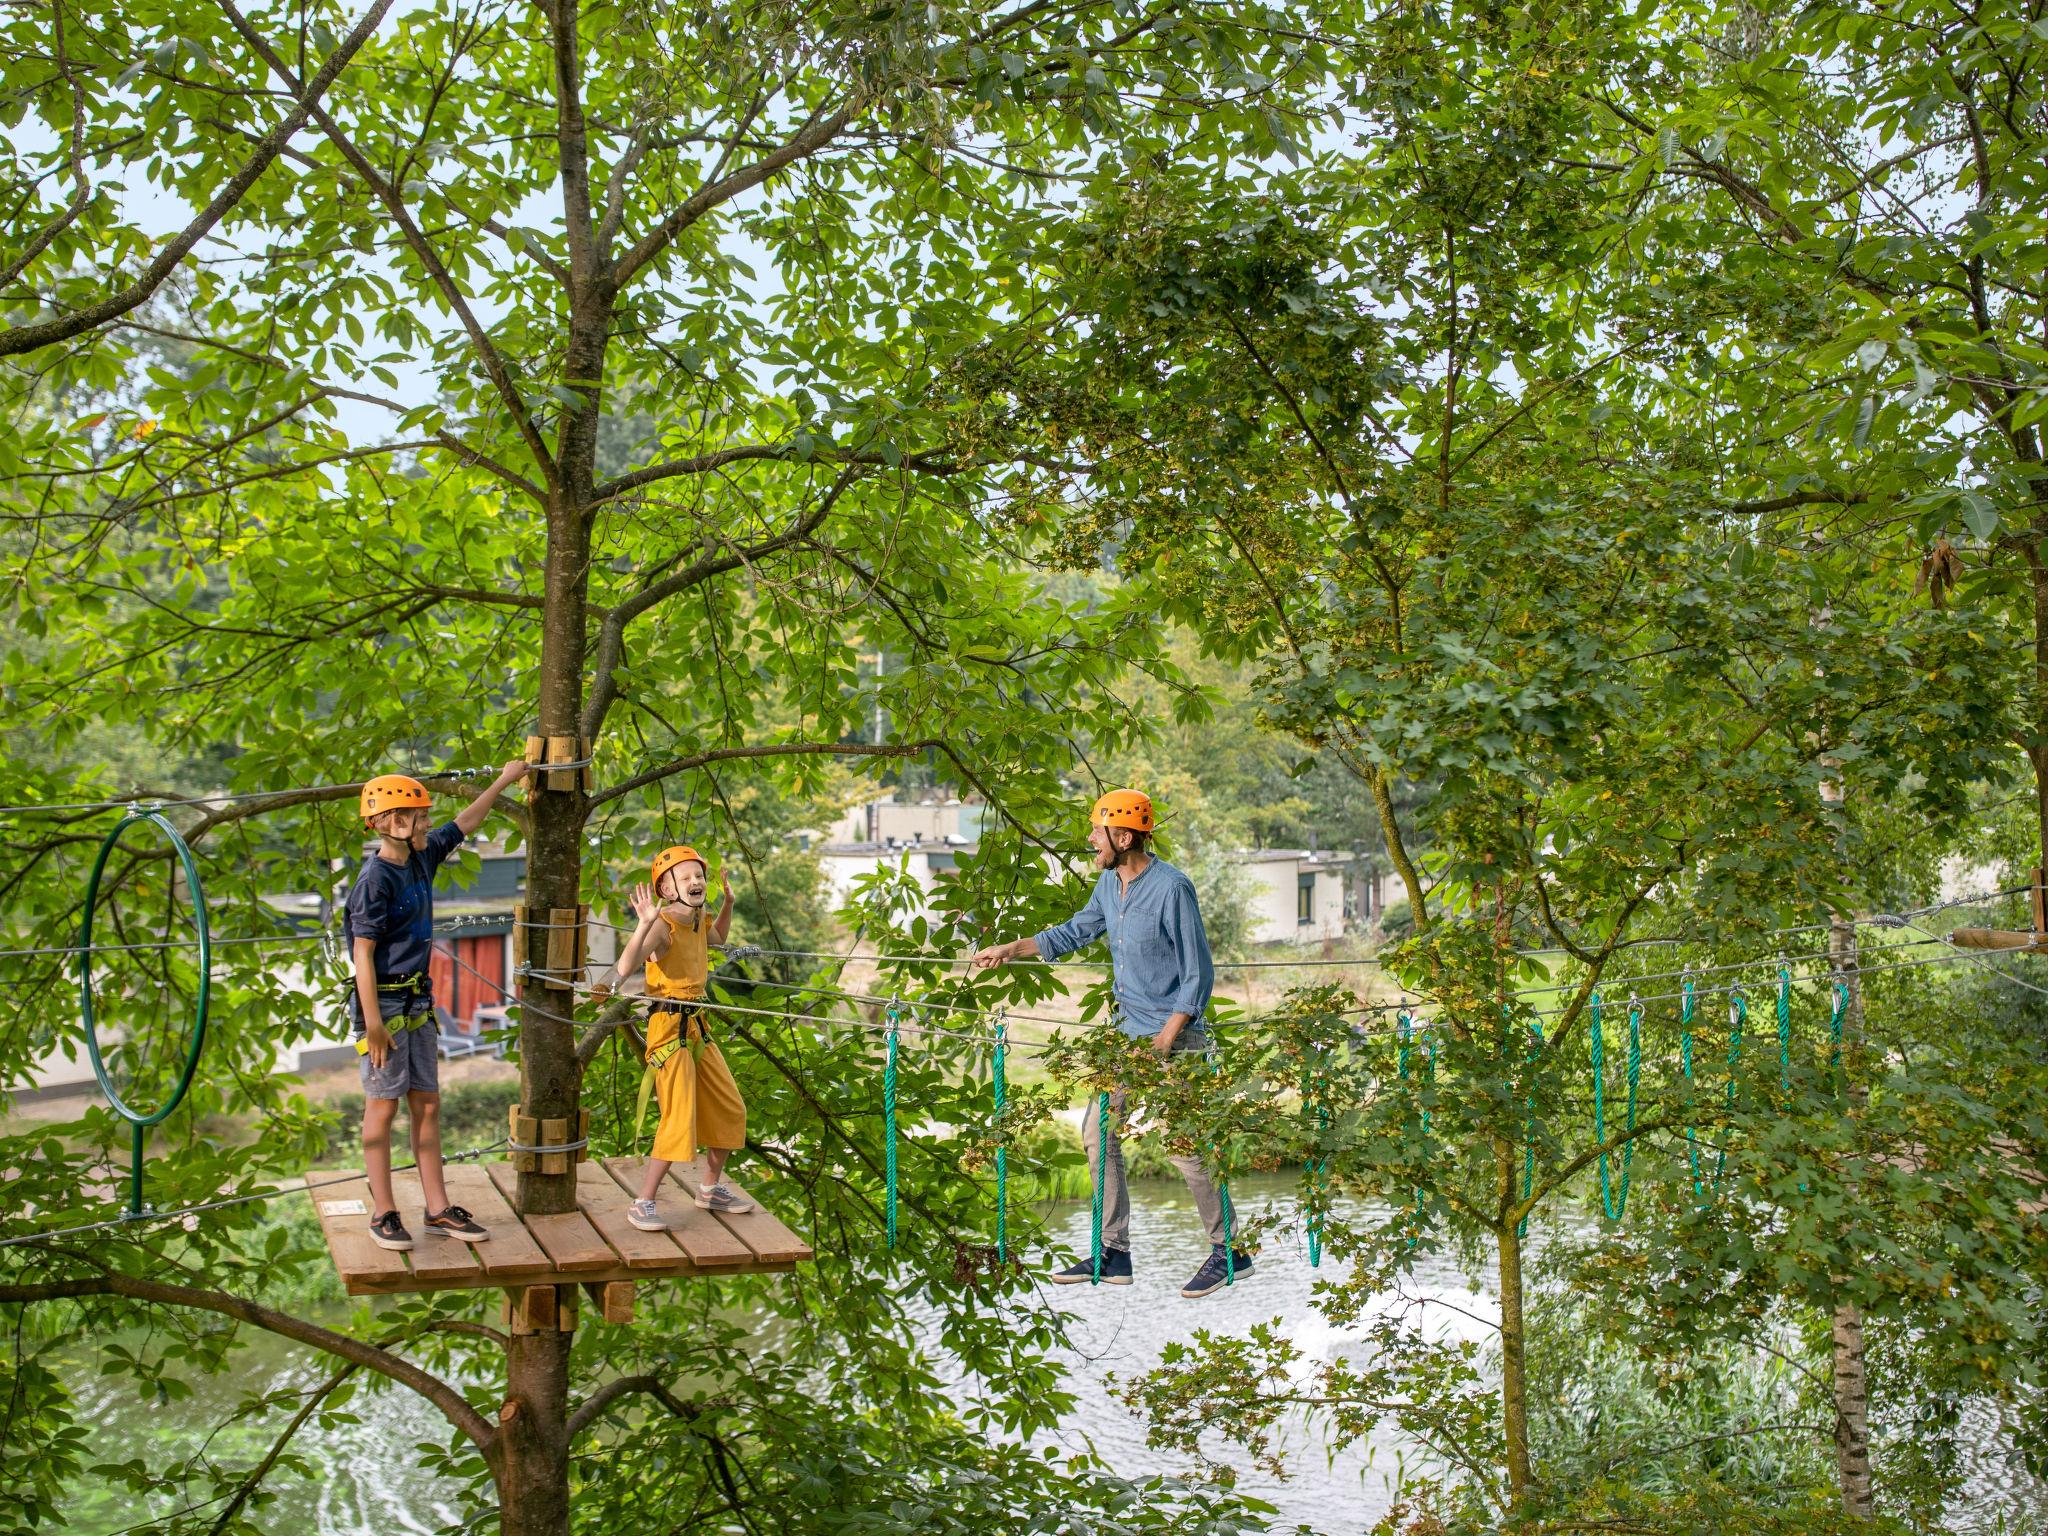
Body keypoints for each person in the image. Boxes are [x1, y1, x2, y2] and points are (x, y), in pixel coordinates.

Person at [972, 789, 1251, 1298]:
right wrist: (1011, 948)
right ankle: (1114, 1251)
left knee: (1185, 1147)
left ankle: (1230, 1250)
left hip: (1176, 1040)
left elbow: (1199, 972)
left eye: (1096, 832)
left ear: (1123, 837)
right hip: (1126, 1038)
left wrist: (1168, 1037)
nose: (1089, 839)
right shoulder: (1107, 884)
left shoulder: (1172, 889)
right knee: (1099, 1134)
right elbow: (1074, 932)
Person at [348, 760, 527, 1251]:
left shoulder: (421, 858)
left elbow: (466, 822)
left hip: (416, 999)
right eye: (420, 816)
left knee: (427, 1103)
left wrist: (505, 780)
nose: (429, 823)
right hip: (381, 1005)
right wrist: (372, 1023)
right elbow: (362, 954)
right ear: (395, 822)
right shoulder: (375, 881)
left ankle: (436, 1208)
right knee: (382, 1109)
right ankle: (383, 1212)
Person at [613, 844, 754, 1230]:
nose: (696, 882)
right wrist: (642, 923)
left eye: (700, 876)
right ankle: (642, 1202)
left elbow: (719, 940)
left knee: (730, 1107)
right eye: (686, 877)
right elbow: (625, 966)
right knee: (678, 1116)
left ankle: (708, 1190)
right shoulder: (663, 924)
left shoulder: (697, 916)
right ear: (666, 889)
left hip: (696, 1024)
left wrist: (728, 902)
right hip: (668, 1027)